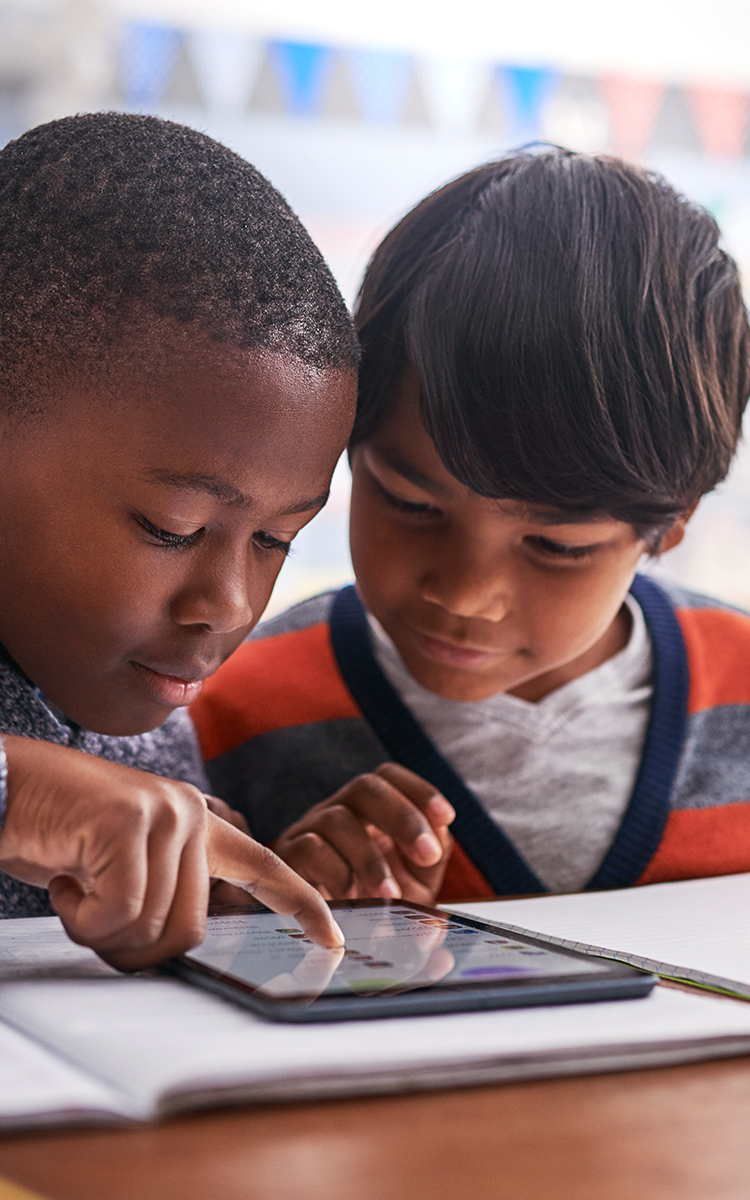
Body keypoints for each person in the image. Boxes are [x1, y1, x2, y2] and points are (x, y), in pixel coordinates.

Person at [192, 149, 750, 906]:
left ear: (672, 522)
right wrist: (267, 921)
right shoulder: (224, 716)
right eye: (411, 503)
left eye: (558, 546)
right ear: (348, 444)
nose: (466, 593)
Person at [0, 111, 359, 966]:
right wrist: (22, 796)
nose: (229, 605)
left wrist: (240, 894)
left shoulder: (144, 706)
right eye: (173, 529)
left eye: (278, 540)